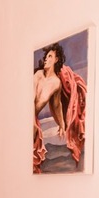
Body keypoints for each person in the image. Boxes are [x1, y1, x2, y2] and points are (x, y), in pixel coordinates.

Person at [32, 42, 86, 173]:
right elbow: (30, 99)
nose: (46, 58)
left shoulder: (56, 83)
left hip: (33, 122)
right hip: (29, 119)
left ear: (56, 59)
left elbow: (56, 105)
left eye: (50, 56)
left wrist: (62, 124)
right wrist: (32, 122)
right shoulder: (38, 75)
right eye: (46, 56)